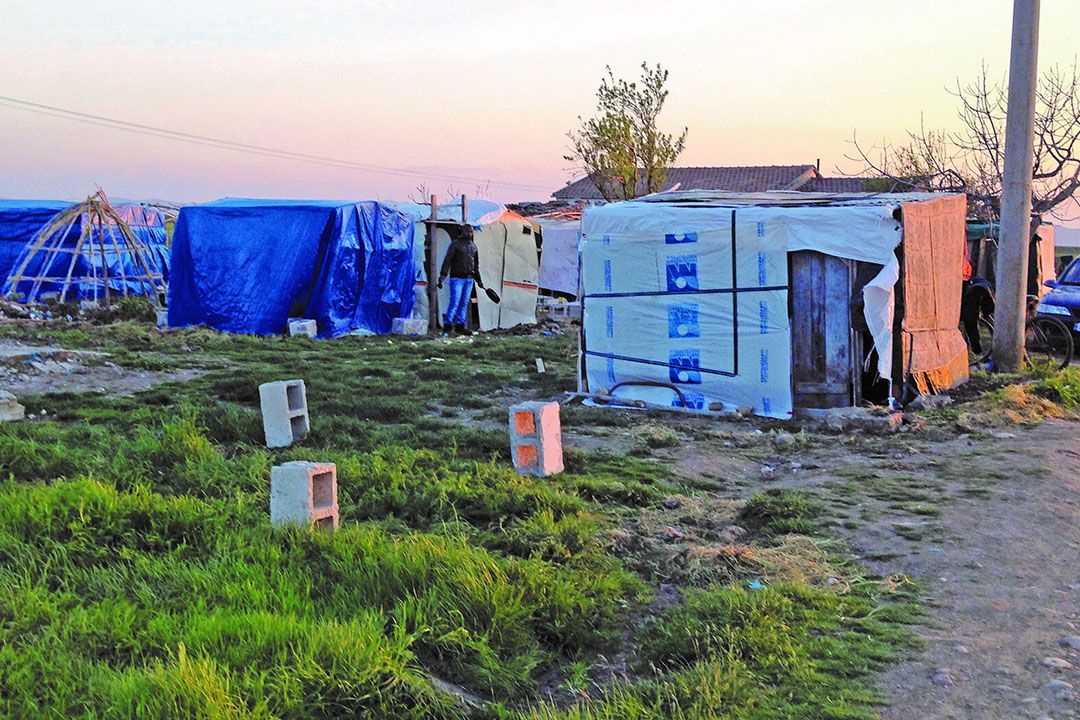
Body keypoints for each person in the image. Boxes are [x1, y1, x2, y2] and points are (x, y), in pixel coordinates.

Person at [437, 225, 484, 335]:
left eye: (471, 232)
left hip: (469, 279)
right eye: (468, 231)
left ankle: (460, 326)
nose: (469, 234)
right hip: (457, 278)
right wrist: (442, 276)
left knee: (464, 303)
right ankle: (447, 327)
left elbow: (475, 265)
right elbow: (447, 261)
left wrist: (478, 279)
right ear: (462, 232)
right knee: (454, 303)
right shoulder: (455, 244)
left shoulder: (473, 246)